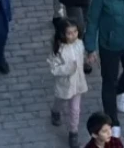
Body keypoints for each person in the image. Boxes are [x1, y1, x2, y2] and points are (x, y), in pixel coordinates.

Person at [48, 16, 90, 147]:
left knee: (75, 109)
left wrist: (86, 61)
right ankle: (55, 111)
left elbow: (81, 57)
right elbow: (54, 69)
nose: (73, 35)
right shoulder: (58, 50)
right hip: (64, 84)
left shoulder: (79, 43)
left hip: (78, 83)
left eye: (75, 32)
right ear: (62, 34)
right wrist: (68, 68)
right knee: (60, 100)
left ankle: (73, 132)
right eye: (69, 33)